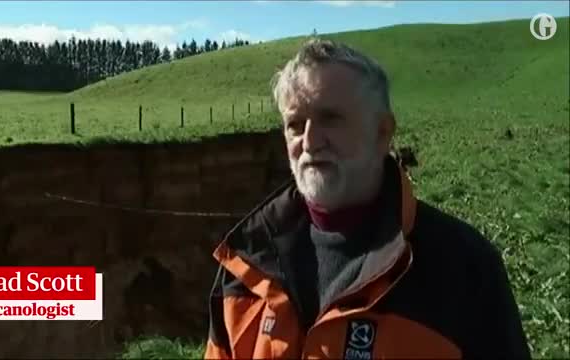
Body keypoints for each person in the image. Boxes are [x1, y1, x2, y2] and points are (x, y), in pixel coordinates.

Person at [204, 39, 531, 359]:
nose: (310, 142)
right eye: (295, 125)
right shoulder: (246, 263)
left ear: (383, 132)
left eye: (330, 118)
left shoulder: (463, 268)